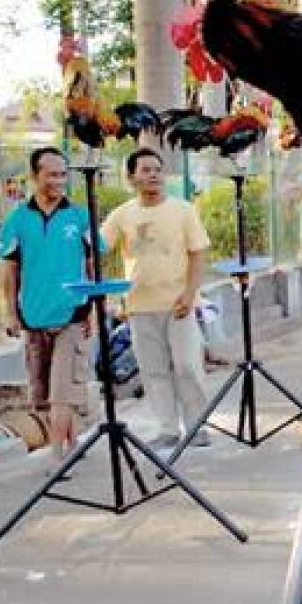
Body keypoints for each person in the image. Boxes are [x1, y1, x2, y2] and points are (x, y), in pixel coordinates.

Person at [101, 148, 212, 450]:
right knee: (153, 370)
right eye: (146, 170)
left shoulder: (183, 210)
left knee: (187, 366)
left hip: (179, 304)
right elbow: (98, 247)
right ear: (132, 177)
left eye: (157, 169)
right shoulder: (123, 214)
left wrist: (190, 293)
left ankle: (197, 426)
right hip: (139, 306)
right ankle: (167, 429)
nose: (153, 175)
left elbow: (198, 252)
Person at [0, 147, 96, 463]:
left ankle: (57, 458)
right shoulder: (18, 219)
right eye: (52, 174)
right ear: (35, 176)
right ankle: (72, 445)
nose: (59, 181)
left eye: (63, 174)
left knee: (62, 392)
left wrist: (92, 308)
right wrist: (12, 312)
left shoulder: (80, 216)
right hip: (34, 318)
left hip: (72, 315)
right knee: (42, 394)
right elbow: (10, 270)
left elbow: (94, 264)